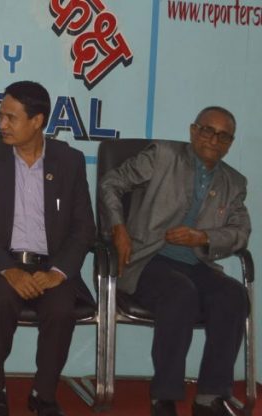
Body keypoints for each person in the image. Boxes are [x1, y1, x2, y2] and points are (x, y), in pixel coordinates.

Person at [99, 106, 249, 416]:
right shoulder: (163, 156)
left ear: (230, 143)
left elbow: (240, 233)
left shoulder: (233, 182)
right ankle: (164, 395)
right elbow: (111, 183)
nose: (214, 140)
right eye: (208, 131)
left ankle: (210, 397)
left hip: (198, 265)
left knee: (234, 295)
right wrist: (118, 228)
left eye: (223, 136)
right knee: (180, 293)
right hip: (148, 259)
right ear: (194, 131)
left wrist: (203, 237)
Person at [0, 81, 95, 416]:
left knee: (61, 307)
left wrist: (58, 272)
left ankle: (44, 393)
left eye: (11, 117)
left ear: (37, 121)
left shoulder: (69, 161)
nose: (2, 124)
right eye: (0, 116)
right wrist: (8, 270)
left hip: (51, 266)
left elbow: (83, 227)